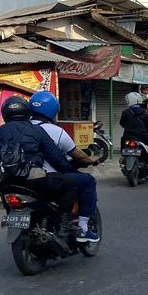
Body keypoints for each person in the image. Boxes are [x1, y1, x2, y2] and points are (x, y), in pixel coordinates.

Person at [28, 91, 101, 243]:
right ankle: (83, 228)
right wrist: (90, 160)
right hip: (48, 179)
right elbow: (78, 155)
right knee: (87, 181)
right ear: (52, 111)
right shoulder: (55, 131)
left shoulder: (22, 128)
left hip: (22, 178)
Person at [119, 91, 148, 166]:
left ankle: (123, 157)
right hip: (143, 137)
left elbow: (122, 123)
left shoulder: (125, 112)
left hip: (128, 136)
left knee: (123, 140)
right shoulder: (144, 113)